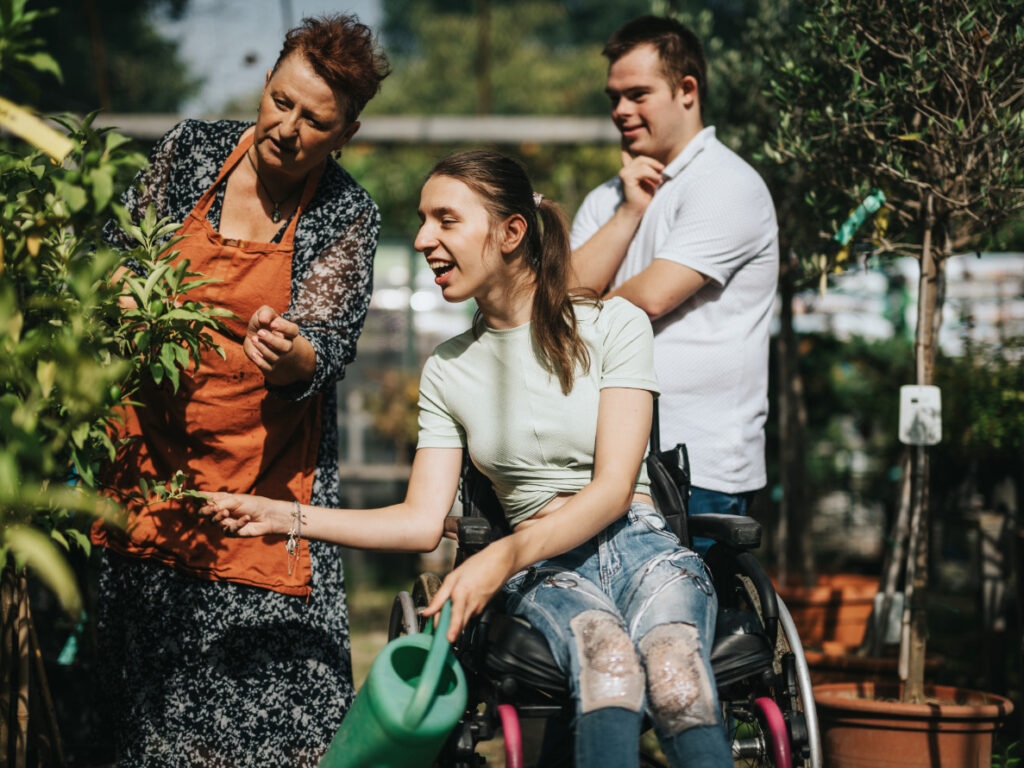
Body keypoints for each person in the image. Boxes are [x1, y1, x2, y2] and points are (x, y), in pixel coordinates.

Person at [201, 151, 733, 768]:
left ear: (511, 233)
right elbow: (421, 522)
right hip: (548, 570)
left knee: (676, 675)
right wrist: (282, 515)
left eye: (446, 220)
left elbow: (614, 489)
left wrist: (501, 555)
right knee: (607, 664)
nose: (425, 239)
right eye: (424, 220)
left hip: (640, 543)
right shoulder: (448, 369)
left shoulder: (615, 324)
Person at [92, 15, 390, 766]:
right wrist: (123, 289)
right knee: (143, 727)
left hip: (259, 495)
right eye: (281, 101)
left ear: (345, 131)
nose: (287, 128)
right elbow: (112, 251)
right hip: (148, 475)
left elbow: (325, 347)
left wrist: (289, 355)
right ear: (266, 85)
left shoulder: (346, 213)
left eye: (314, 119)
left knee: (278, 731)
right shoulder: (191, 152)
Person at [570, 16, 779, 550]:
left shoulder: (727, 184)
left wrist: (582, 304)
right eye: (614, 97)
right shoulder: (607, 199)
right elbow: (566, 292)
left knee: (682, 628)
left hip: (699, 468)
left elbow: (652, 296)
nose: (620, 110)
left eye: (637, 94)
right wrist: (627, 213)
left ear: (687, 90)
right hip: (605, 461)